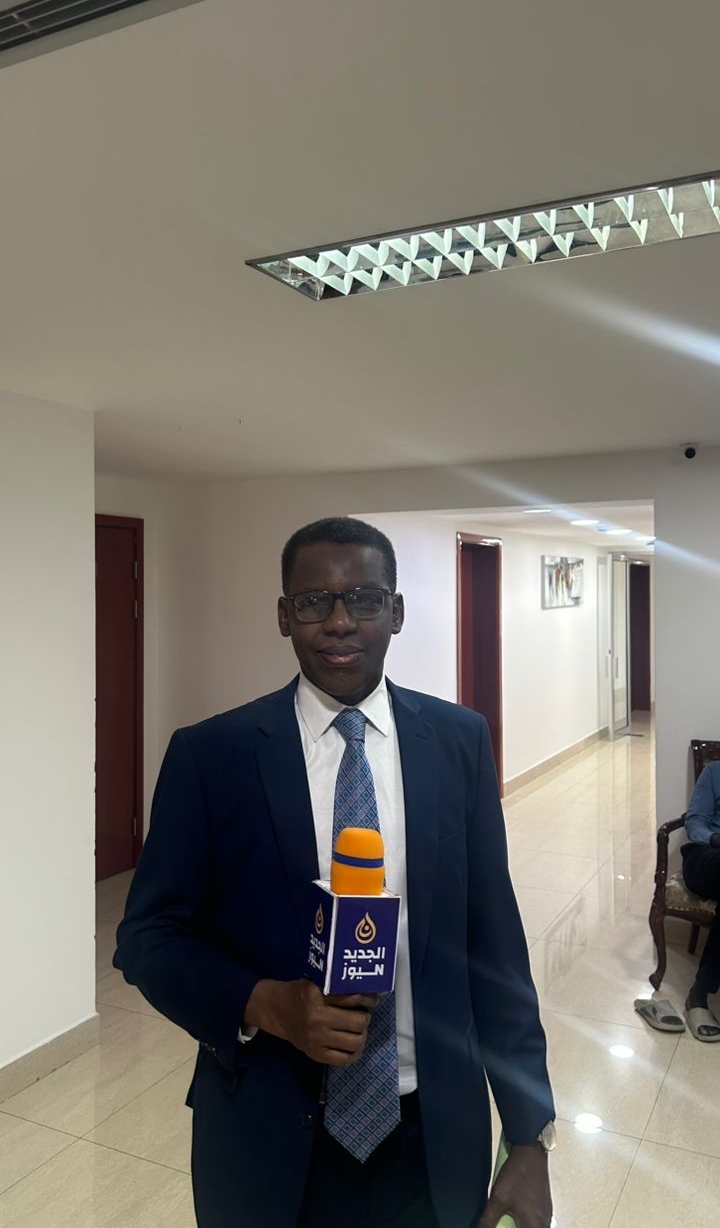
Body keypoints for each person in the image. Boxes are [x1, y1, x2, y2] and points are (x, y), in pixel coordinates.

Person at [114, 516, 555, 1228]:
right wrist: (265, 1005)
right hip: (266, 1139)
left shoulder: (459, 741)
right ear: (284, 616)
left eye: (365, 599)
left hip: (433, 1137)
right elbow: (146, 939)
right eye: (314, 601)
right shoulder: (213, 756)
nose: (341, 622)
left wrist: (530, 1134)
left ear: (397, 612)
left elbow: (495, 946)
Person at [683, 761, 720, 1041]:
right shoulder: (714, 772)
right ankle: (699, 992)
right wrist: (716, 838)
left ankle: (699, 991)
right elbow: (695, 822)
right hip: (706, 855)